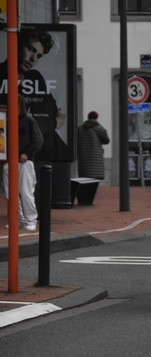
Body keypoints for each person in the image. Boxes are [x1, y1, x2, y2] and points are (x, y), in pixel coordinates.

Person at [0, 29, 67, 161]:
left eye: (39, 56)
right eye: (31, 49)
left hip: (41, 152)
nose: (33, 59)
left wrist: (46, 121)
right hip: (12, 152)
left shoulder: (35, 77)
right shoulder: (1, 75)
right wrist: (52, 122)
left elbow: (51, 112)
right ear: (18, 45)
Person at [3, 95, 43, 231]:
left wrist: (27, 154)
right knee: (11, 194)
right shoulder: (6, 120)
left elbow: (38, 140)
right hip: (11, 160)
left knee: (25, 192)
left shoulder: (28, 120)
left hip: (23, 161)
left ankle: (30, 219)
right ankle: (19, 219)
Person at [77, 111, 110, 179]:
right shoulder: (99, 128)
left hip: (83, 158)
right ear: (96, 117)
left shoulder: (80, 129)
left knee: (85, 179)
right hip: (96, 160)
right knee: (94, 181)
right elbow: (106, 140)